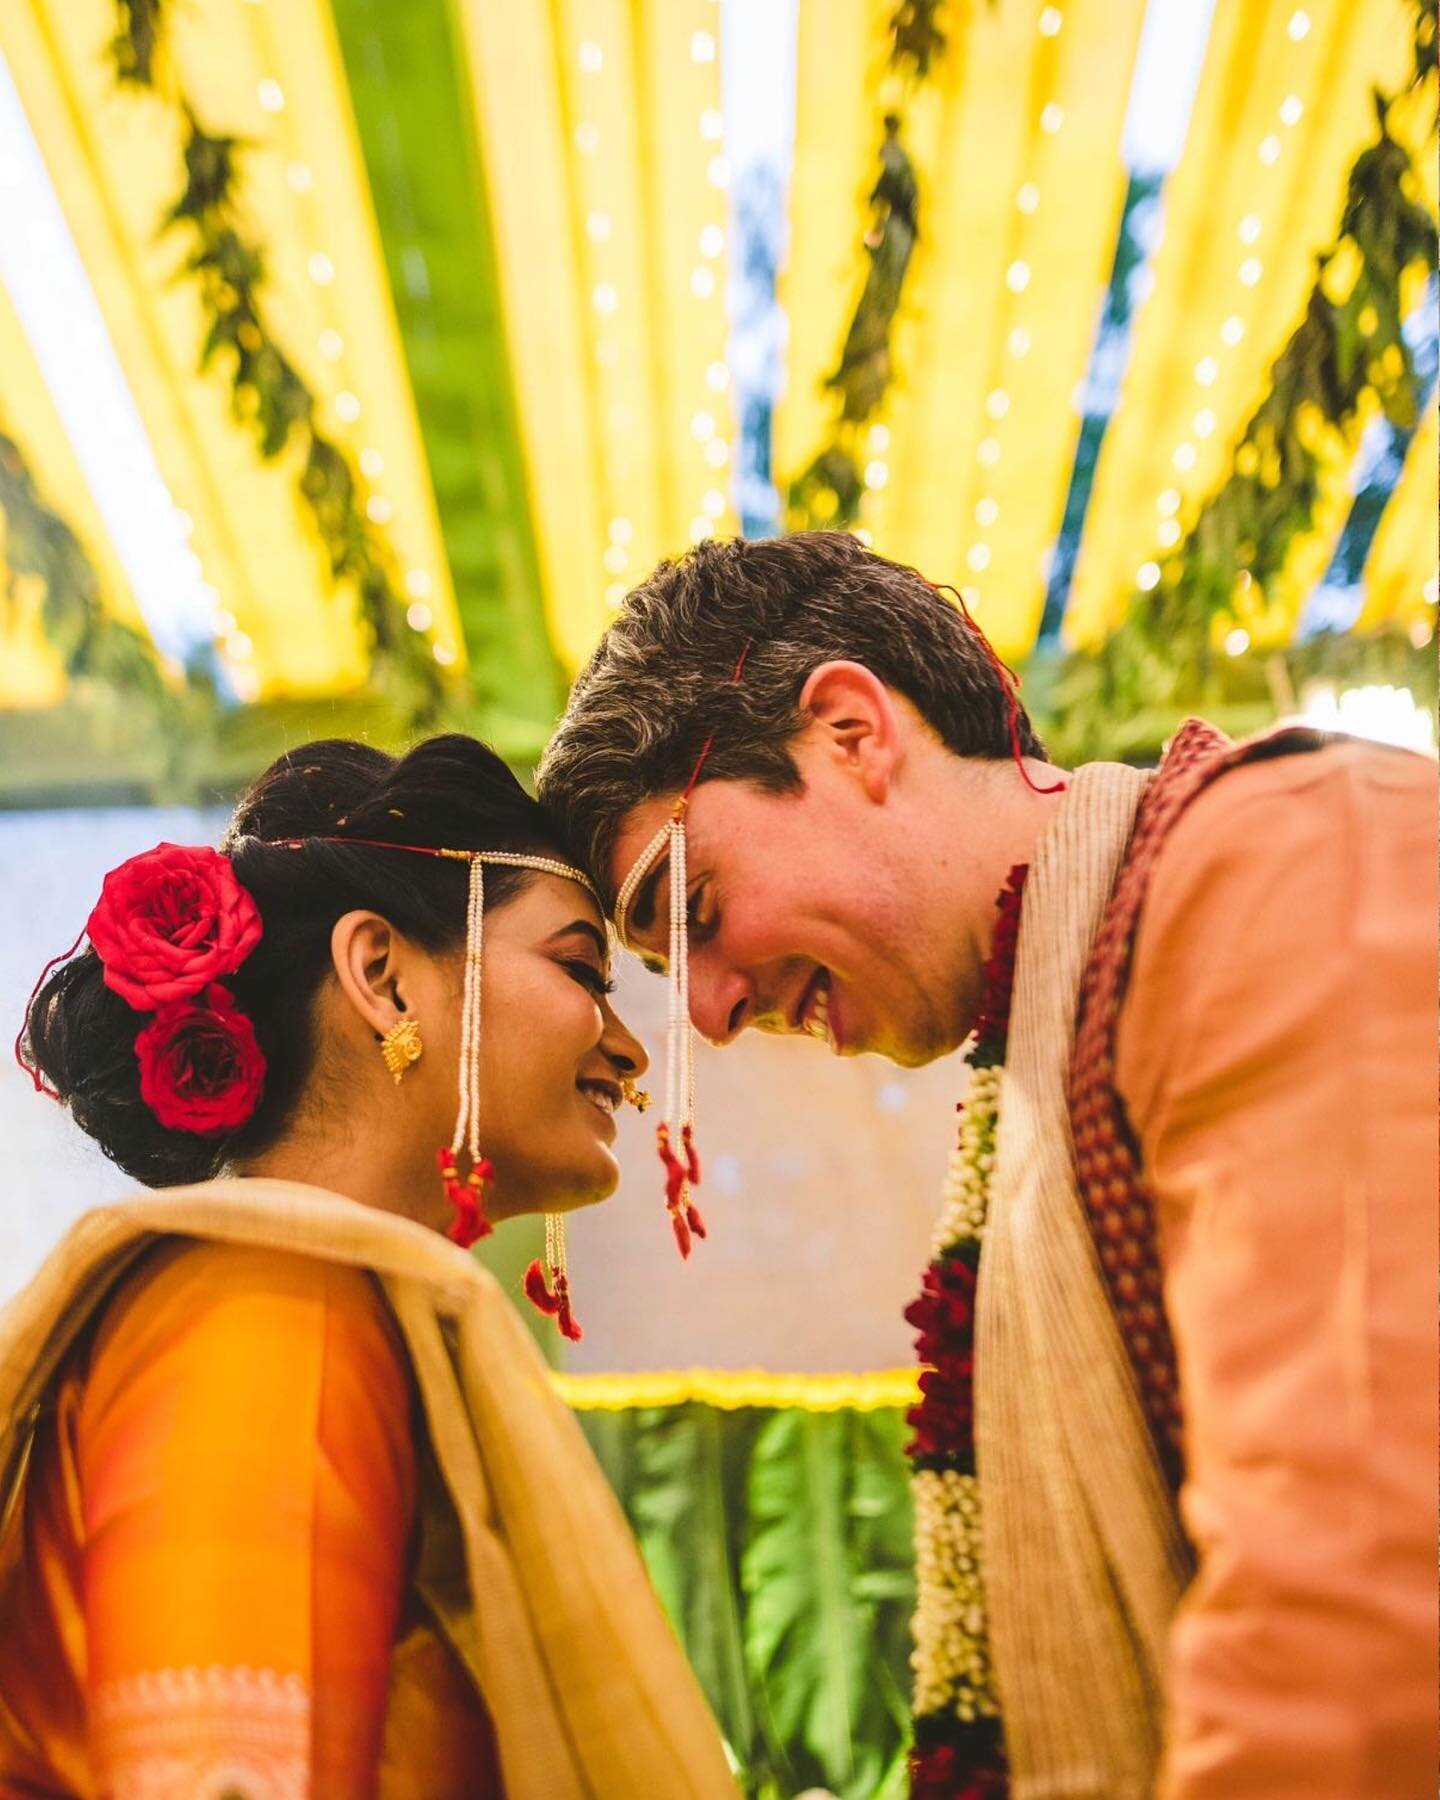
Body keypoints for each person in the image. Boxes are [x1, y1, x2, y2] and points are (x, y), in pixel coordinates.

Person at [537, 531, 1437, 1799]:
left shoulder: (1287, 863)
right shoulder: (1059, 1031)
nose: (707, 1015)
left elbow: (1366, 1590)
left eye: (695, 915)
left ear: (852, 732)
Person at [1, 734, 739, 1799]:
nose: (629, 1051)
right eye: (581, 968)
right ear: (382, 976)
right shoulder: (268, 1310)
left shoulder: (335, 1312)